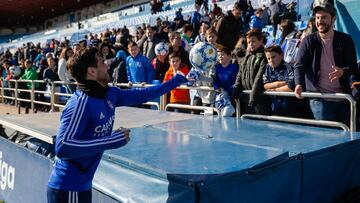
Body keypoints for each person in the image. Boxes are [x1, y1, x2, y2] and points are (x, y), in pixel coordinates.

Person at [47, 47, 188, 202]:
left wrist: (177, 80)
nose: (108, 66)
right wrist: (110, 141)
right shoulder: (79, 104)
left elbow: (144, 94)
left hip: (82, 185)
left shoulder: (109, 94)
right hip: (68, 187)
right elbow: (63, 147)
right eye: (102, 63)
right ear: (92, 72)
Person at [294, 2, 357, 124]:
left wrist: (343, 71)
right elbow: (299, 65)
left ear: (333, 18)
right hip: (319, 98)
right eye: (317, 18)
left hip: (344, 97)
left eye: (324, 17)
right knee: (327, 135)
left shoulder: (345, 40)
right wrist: (298, 84)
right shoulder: (308, 41)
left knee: (348, 136)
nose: (319, 21)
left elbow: (353, 66)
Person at [232, 29, 271, 115]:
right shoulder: (247, 56)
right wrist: (236, 88)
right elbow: (240, 74)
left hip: (259, 98)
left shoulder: (263, 57)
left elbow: (259, 78)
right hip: (247, 97)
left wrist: (253, 97)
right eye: (249, 42)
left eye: (253, 41)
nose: (251, 44)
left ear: (261, 41)